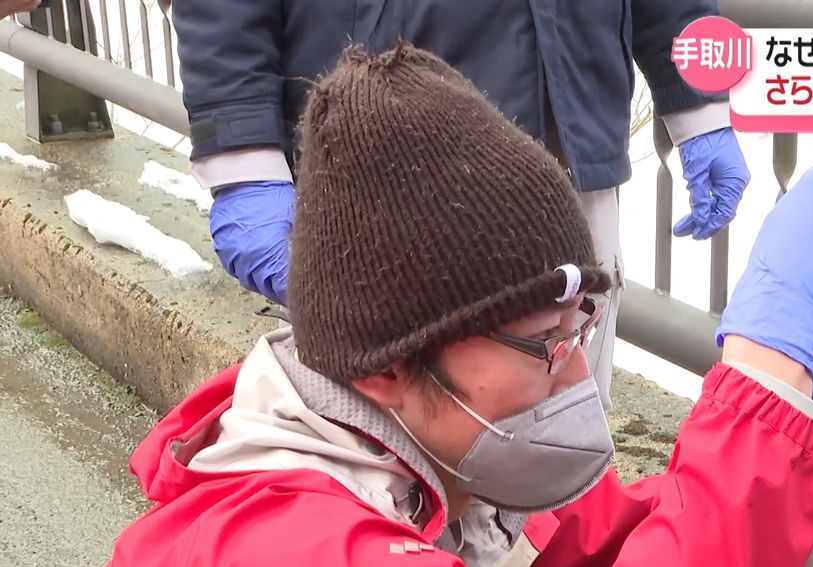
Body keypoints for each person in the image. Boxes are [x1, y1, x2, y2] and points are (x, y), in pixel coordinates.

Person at [45, 44, 813, 567]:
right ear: (389, 367)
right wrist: (758, 367)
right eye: (545, 346)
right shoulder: (287, 558)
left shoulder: (427, 460)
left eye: (580, 323)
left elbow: (614, 545)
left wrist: (787, 419)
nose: (579, 371)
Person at [169, 0, 752, 413]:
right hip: (391, 162)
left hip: (571, 150)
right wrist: (243, 157)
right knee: (395, 441)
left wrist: (698, 106)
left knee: (565, 421)